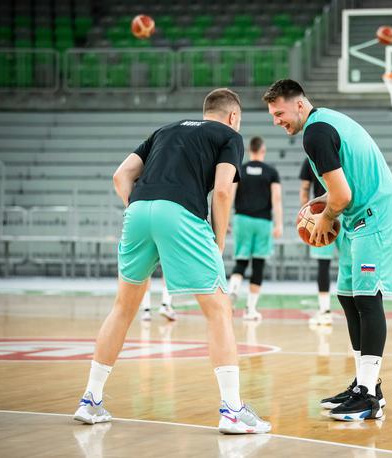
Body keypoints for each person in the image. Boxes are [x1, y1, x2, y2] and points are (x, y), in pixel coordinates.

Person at [73, 88, 270, 434]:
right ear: (233, 117)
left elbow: (121, 176)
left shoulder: (164, 130)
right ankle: (232, 410)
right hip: (180, 212)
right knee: (219, 310)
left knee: (122, 308)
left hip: (138, 210)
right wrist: (218, 241)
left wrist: (142, 211)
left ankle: (91, 400)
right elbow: (223, 191)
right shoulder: (229, 136)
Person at [263, 79, 392, 421]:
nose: (276, 121)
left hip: (377, 215)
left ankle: (369, 397)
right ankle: (366, 384)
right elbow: (341, 189)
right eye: (272, 115)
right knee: (347, 296)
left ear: (299, 104)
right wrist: (318, 207)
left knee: (367, 298)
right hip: (360, 217)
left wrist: (324, 217)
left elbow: (341, 197)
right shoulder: (324, 122)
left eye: (279, 113)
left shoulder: (316, 133)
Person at [227, 136, 283, 321]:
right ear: (263, 150)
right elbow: (276, 199)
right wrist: (279, 223)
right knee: (258, 265)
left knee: (241, 261)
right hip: (263, 221)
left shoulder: (240, 170)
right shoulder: (271, 172)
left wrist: (226, 219)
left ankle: (233, 290)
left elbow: (229, 194)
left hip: (242, 219)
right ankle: (250, 309)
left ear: (250, 150)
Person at [300, 159, 338, 326]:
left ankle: (325, 310)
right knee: (350, 262)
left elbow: (305, 189)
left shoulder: (310, 160)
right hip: (344, 210)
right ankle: (358, 308)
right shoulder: (340, 156)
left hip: (321, 215)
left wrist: (305, 215)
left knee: (324, 264)